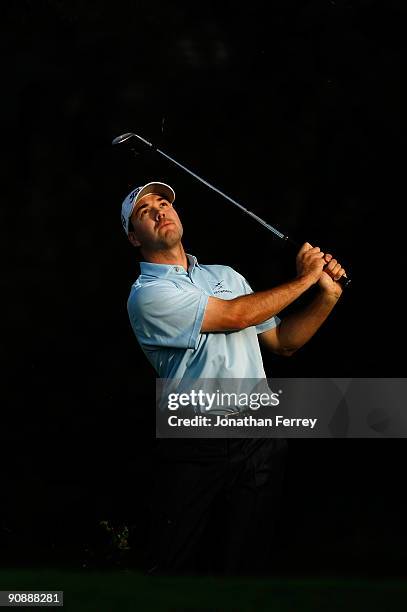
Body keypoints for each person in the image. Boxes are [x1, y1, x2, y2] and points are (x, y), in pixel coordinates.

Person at [121, 181, 346, 575]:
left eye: (163, 203)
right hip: (195, 436)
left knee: (247, 561)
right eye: (144, 212)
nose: (159, 211)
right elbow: (236, 316)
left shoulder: (225, 275)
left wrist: (326, 295)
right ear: (133, 237)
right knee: (172, 562)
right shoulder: (147, 294)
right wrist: (307, 277)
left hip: (259, 434)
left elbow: (284, 343)